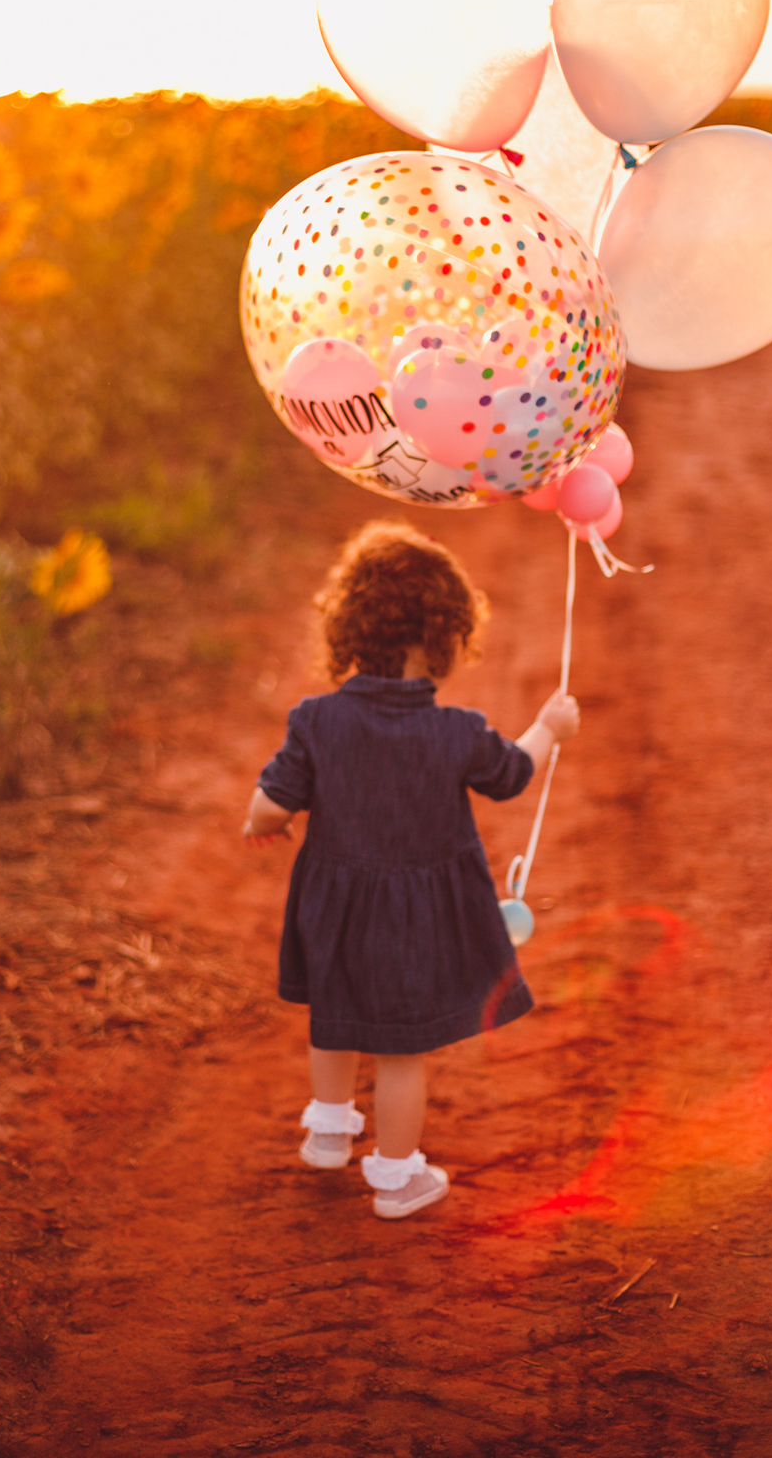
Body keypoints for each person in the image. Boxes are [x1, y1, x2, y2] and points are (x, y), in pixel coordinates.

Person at [242, 520, 580, 1221]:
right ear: (446, 639)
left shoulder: (316, 721)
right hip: (415, 923)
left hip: (333, 908)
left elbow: (268, 804)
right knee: (401, 1053)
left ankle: (329, 1132)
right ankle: (396, 1178)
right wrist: (550, 727)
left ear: (349, 633)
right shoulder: (456, 734)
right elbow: (513, 774)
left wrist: (265, 828)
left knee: (333, 1019)